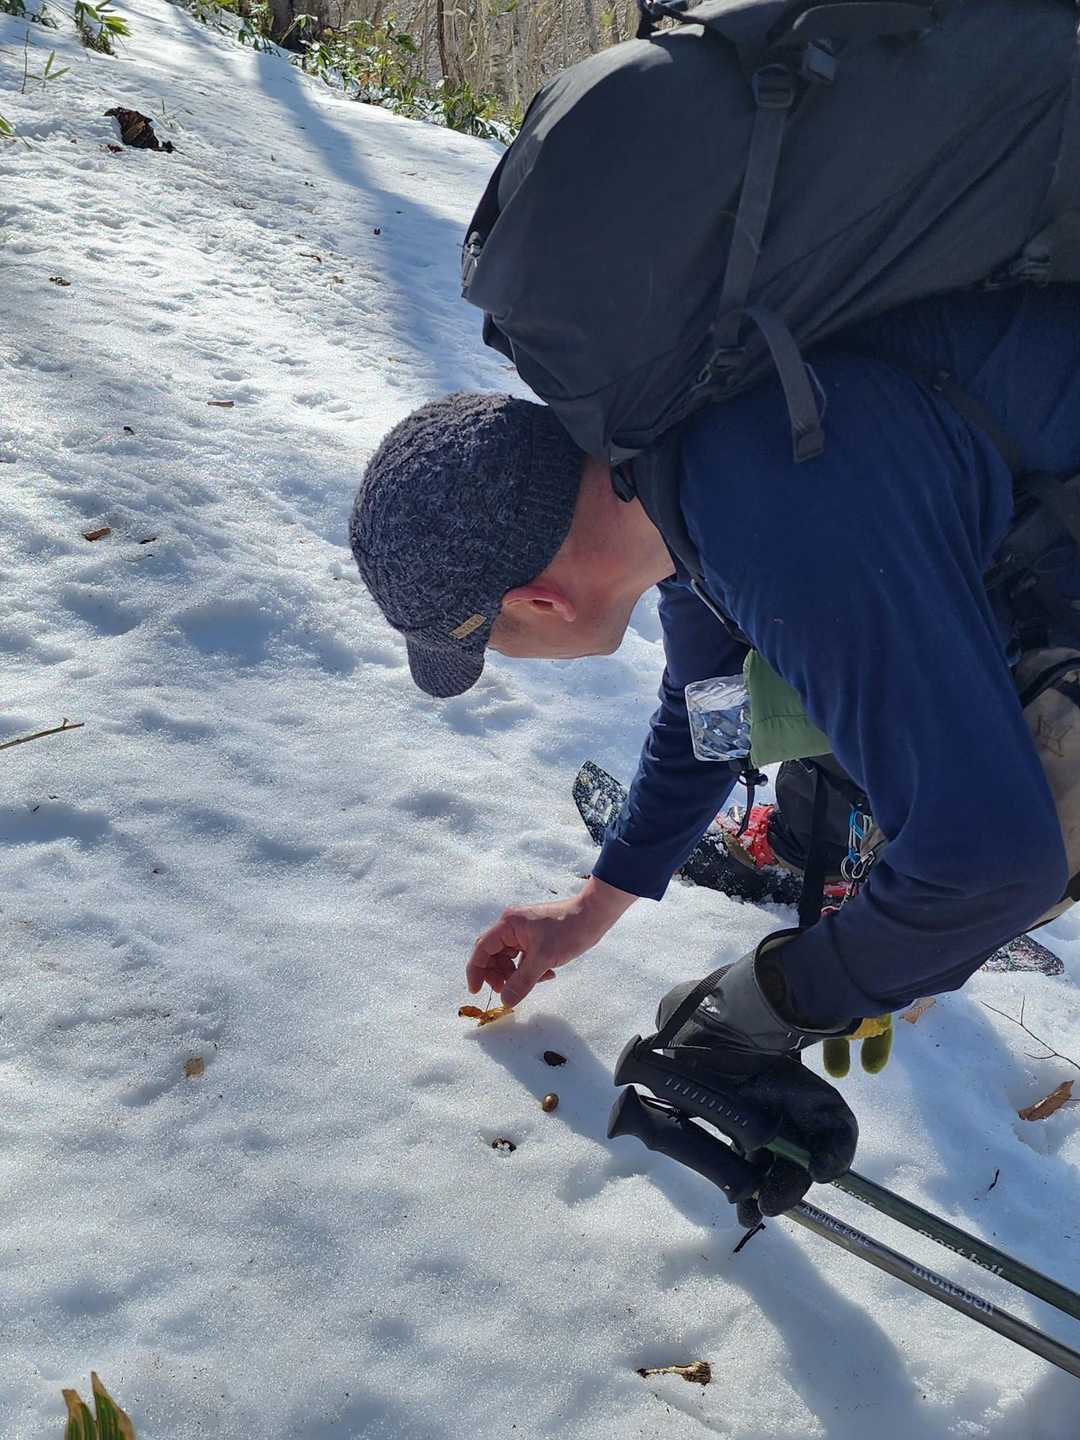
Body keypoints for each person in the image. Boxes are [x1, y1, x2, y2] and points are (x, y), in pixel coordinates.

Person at [349, 282, 1080, 1219]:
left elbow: (988, 865)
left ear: (538, 603)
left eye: (493, 645)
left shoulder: (774, 514)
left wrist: (765, 1007)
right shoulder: (679, 472)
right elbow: (712, 720)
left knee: (1028, 805)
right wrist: (592, 908)